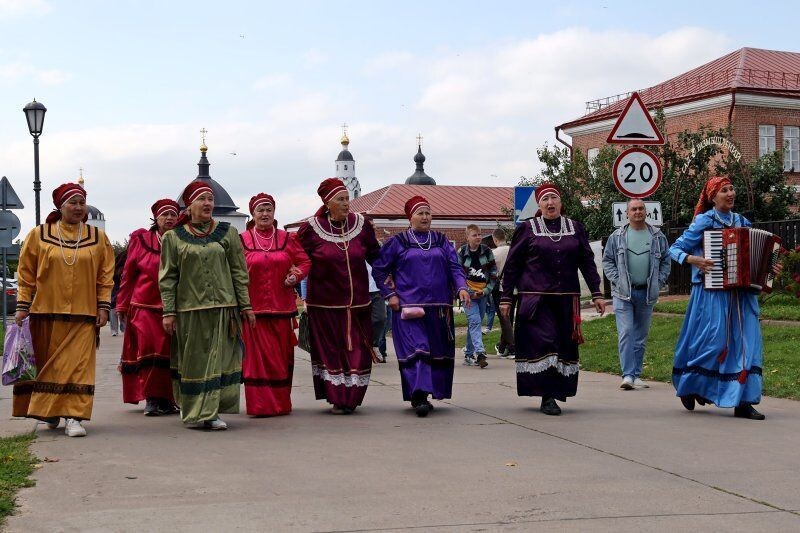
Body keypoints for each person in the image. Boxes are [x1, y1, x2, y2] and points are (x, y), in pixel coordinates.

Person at [669, 176, 781, 420]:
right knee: (713, 343)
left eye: (732, 189)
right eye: (724, 190)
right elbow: (674, 249)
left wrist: (771, 269)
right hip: (711, 293)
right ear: (712, 197)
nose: (730, 193)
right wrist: (694, 260)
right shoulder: (704, 221)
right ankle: (690, 385)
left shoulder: (742, 222)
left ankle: (743, 402)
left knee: (747, 345)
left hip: (742, 296)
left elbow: (761, 257)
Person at [13, 183, 114, 437]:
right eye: (73, 203)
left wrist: (103, 305)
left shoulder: (97, 238)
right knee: (52, 366)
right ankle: (52, 410)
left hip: (84, 314)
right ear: (60, 206)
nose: (78, 207)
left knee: (78, 365)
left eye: (82, 203)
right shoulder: (39, 235)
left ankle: (73, 416)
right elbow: (25, 274)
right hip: (46, 313)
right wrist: (22, 306)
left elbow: (105, 275)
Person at [499, 183, 605, 416]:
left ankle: (556, 392)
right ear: (539, 204)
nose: (550, 203)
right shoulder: (527, 229)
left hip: (567, 299)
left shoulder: (575, 228)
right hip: (537, 300)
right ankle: (547, 396)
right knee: (546, 343)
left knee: (563, 345)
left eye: (554, 198)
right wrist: (506, 297)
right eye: (545, 199)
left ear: (560, 202)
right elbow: (513, 265)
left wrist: (597, 293)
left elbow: (587, 261)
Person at [159, 181, 255, 430]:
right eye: (202, 199)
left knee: (219, 360)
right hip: (190, 310)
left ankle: (211, 412)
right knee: (194, 362)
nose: (208, 203)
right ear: (189, 207)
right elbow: (168, 277)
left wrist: (245, 306)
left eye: (210, 199)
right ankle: (194, 411)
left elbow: (239, 271)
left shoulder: (227, 233)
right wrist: (169, 312)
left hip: (225, 308)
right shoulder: (173, 238)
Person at [372, 196, 470, 416]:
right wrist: (390, 294)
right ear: (410, 217)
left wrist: (461, 287)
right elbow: (379, 269)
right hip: (409, 309)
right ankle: (419, 396)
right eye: (420, 213)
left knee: (435, 352)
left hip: (438, 309)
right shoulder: (398, 242)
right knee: (418, 349)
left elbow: (455, 267)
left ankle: (426, 393)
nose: (425, 217)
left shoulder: (441, 240)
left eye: (428, 212)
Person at [297, 178, 381, 414]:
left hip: (358, 306)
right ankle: (337, 397)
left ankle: (352, 397)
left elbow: (376, 256)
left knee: (357, 351)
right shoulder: (311, 229)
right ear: (327, 202)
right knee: (331, 353)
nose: (346, 204)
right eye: (340, 200)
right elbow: (297, 259)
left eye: (347, 199)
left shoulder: (361, 225)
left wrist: (395, 275)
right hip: (324, 306)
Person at [240, 193, 310, 416]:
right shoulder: (242, 240)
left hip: (282, 309)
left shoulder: (287, 238)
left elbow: (304, 261)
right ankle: (260, 406)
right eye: (260, 210)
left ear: (274, 213)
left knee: (280, 359)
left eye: (268, 209)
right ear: (253, 213)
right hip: (253, 311)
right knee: (257, 360)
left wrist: (296, 275)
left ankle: (280, 404)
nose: (265, 214)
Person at [116, 199, 181, 416]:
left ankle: (168, 398)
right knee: (149, 352)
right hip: (144, 305)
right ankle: (152, 398)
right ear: (156, 218)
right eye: (165, 215)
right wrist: (122, 304)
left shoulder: (182, 239)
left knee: (170, 354)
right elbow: (129, 274)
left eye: (173, 214)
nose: (169, 218)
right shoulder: (142, 240)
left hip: (173, 306)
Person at [602, 198, 671, 390]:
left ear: (646, 212)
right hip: (623, 293)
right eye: (634, 209)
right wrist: (617, 279)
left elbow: (666, 259)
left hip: (647, 293)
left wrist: (659, 281)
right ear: (627, 213)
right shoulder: (617, 236)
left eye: (641, 208)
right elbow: (607, 261)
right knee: (626, 332)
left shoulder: (657, 236)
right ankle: (627, 375)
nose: (638, 212)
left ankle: (637, 374)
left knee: (640, 335)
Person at [458, 225, 497, 368]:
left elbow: (493, 273)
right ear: (467, 237)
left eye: (480, 234)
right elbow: (457, 275)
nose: (478, 237)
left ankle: (468, 354)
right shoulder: (462, 252)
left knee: (475, 323)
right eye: (474, 235)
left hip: (483, 293)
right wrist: (467, 291)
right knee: (474, 321)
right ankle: (480, 354)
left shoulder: (487, 252)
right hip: (467, 294)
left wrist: (486, 290)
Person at [491, 227, 515, 358]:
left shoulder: (494, 253)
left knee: (504, 318)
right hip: (515, 289)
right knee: (509, 317)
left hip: (501, 289)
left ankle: (511, 347)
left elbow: (491, 273)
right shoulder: (514, 250)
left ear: (495, 239)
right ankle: (502, 346)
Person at [366, 263, 388, 363]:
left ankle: (374, 344)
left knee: (381, 318)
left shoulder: (376, 250)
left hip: (377, 289)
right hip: (359, 289)